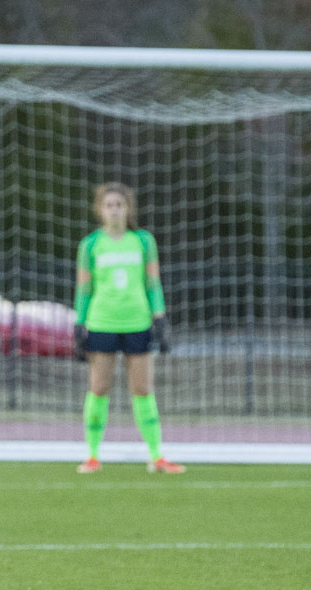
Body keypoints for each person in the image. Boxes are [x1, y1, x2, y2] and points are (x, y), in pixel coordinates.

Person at [73, 182, 184, 475]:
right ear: (100, 210)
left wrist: (159, 318)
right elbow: (84, 289)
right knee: (98, 388)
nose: (114, 210)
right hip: (102, 322)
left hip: (137, 322)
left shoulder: (143, 241)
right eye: (109, 205)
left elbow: (152, 284)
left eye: (119, 205)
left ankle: (157, 455)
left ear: (128, 209)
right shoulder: (90, 245)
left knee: (143, 389)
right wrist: (79, 324)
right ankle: (93, 455)